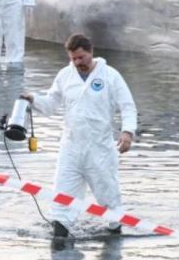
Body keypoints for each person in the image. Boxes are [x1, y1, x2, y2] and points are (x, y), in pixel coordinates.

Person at [20, 34, 137, 239]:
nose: (77, 63)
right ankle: (60, 235)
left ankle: (114, 233)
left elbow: (127, 106)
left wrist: (127, 132)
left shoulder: (110, 75)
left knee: (108, 196)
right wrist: (33, 100)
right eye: (73, 58)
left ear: (91, 52)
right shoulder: (65, 75)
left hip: (99, 148)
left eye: (81, 58)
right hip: (71, 147)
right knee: (62, 196)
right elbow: (51, 104)